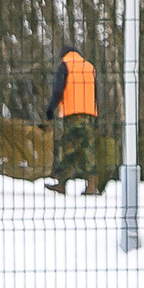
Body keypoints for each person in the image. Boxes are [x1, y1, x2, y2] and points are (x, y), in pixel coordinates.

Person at [43, 44, 108, 194]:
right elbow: (96, 91)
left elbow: (58, 90)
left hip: (72, 114)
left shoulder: (64, 66)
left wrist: (50, 109)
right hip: (90, 114)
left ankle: (62, 183)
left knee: (68, 149)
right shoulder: (89, 66)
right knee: (88, 148)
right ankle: (92, 185)